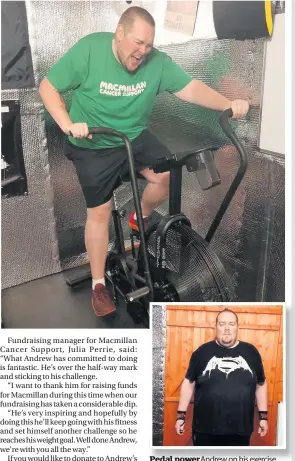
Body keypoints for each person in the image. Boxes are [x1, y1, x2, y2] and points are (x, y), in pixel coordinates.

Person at [39, 7, 249, 317]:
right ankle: (98, 285)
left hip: (134, 136)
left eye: (149, 45)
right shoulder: (89, 50)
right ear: (119, 34)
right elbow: (48, 87)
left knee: (163, 176)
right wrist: (67, 122)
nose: (143, 51)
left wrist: (228, 104)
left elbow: (190, 89)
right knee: (99, 212)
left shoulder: (157, 63)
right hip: (92, 141)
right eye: (138, 43)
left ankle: (140, 215)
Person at [175, 308, 268, 446]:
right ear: (216, 327)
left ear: (237, 327)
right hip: (205, 431)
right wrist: (181, 416)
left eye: (231, 324)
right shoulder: (202, 352)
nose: (226, 328)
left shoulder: (251, 353)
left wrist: (263, 416)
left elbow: (261, 384)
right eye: (222, 324)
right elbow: (189, 383)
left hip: (240, 431)